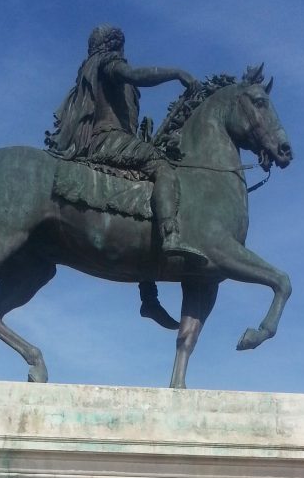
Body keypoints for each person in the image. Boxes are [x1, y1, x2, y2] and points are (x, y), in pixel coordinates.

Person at [46, 25, 207, 328]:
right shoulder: (107, 64)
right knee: (163, 169)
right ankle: (171, 236)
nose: (123, 53)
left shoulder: (94, 68)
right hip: (105, 140)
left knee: (145, 201)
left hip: (113, 138)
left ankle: (149, 299)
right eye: (120, 46)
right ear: (113, 46)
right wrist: (176, 73)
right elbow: (136, 76)